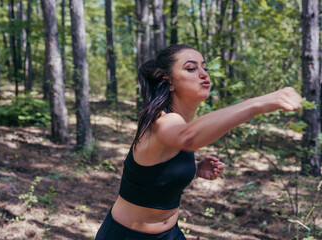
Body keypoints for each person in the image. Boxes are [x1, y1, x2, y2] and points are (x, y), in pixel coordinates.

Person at [95, 44, 302, 239]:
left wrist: (193, 168)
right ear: (168, 81)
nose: (204, 74)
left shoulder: (179, 122)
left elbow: (151, 173)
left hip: (170, 234)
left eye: (204, 67)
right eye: (191, 68)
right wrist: (257, 103)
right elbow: (188, 137)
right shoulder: (162, 120)